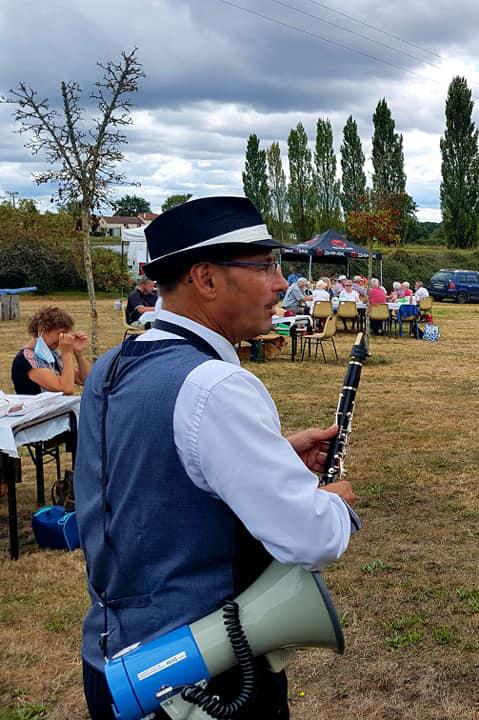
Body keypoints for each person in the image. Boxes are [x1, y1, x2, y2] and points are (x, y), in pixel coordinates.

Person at [73, 197, 357, 720]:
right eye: (264, 265)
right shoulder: (216, 384)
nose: (280, 283)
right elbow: (310, 538)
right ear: (205, 278)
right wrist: (335, 503)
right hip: (210, 679)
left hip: (115, 668)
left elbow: (149, 479)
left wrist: (272, 457)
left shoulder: (111, 366)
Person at [11, 306, 89, 395]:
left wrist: (78, 353)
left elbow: (84, 380)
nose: (62, 339)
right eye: (60, 334)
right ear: (41, 330)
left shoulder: (53, 354)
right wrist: (67, 353)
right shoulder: (26, 358)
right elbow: (66, 389)